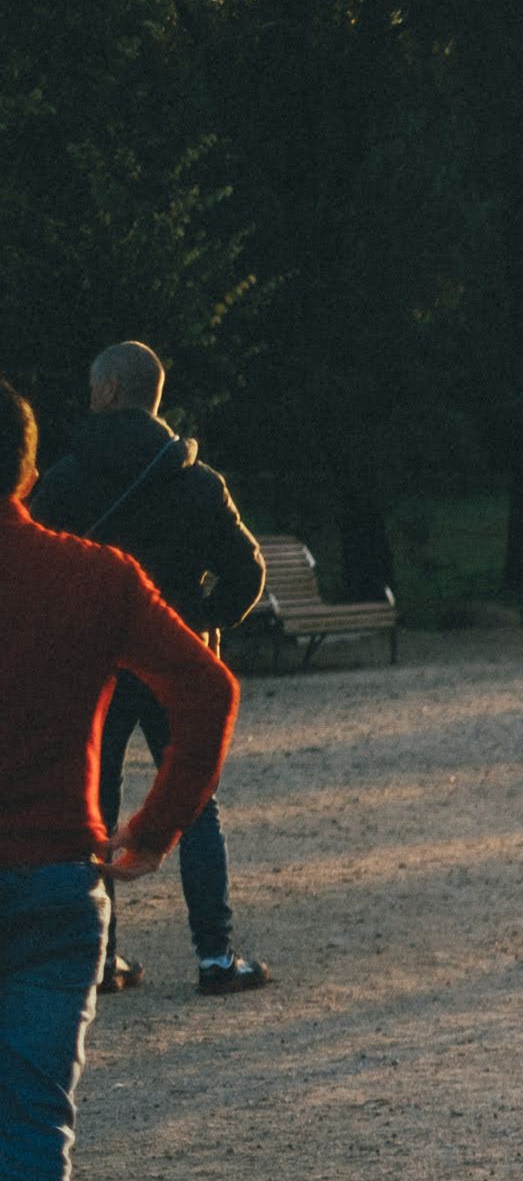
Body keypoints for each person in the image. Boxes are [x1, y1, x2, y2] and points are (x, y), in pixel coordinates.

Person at [0, 382, 235, 1181]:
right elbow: (207, 690)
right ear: (26, 470)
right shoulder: (96, 578)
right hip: (59, 877)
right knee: (31, 1127)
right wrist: (154, 827)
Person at [29, 342, 269, 996]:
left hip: (96, 668)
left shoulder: (66, 481)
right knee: (197, 805)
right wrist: (202, 622)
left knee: (92, 806)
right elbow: (248, 571)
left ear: (106, 393)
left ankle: (102, 959)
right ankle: (214, 958)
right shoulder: (198, 482)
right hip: (173, 663)